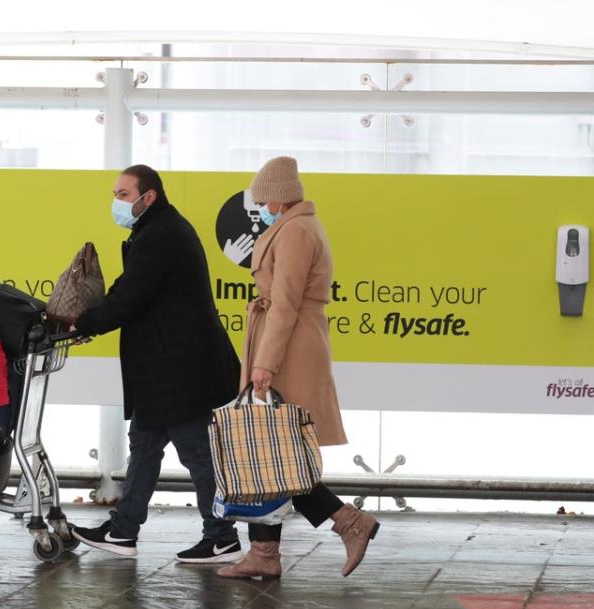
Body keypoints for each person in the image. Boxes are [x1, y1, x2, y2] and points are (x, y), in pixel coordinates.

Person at [218, 156, 381, 580]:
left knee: (276, 451)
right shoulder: (296, 226)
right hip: (289, 341)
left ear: (278, 196)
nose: (260, 205)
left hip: (289, 347)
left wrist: (264, 363)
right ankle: (265, 553)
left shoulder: (296, 232)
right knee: (269, 450)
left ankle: (348, 521)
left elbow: (286, 303)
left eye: (263, 197)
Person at [71, 164, 243, 564]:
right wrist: (88, 323)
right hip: (164, 369)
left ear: (149, 197)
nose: (116, 202)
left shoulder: (162, 234)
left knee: (197, 453)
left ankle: (221, 537)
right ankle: (122, 531)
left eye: (123, 195)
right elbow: (127, 288)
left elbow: (131, 296)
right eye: (115, 194)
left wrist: (85, 322)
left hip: (180, 370)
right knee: (145, 447)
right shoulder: (153, 230)